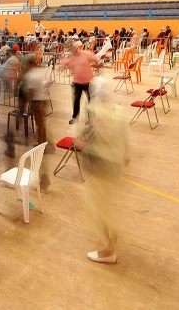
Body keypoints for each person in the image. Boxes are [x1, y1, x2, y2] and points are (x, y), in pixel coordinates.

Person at [79, 77, 130, 264]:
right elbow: (125, 139)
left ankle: (108, 250)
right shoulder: (120, 112)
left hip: (98, 166)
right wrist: (125, 155)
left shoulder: (91, 111)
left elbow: (79, 137)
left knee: (96, 208)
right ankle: (110, 232)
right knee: (105, 203)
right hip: (114, 167)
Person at [61, 41, 99, 125]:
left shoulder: (86, 54)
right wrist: (62, 64)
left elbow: (95, 59)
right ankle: (75, 117)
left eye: (73, 48)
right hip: (77, 83)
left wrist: (97, 64)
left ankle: (91, 118)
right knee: (76, 100)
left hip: (88, 83)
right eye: (70, 49)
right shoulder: (71, 58)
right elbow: (64, 64)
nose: (72, 50)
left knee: (91, 101)